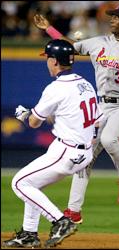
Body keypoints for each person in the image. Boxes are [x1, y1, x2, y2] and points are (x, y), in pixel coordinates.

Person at [33, 4, 119, 224]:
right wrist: (49, 28)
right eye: (111, 17)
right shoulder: (99, 42)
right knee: (85, 158)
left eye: (117, 17)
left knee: (108, 138)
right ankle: (74, 211)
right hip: (101, 105)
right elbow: (69, 47)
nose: (112, 20)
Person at [2, 39, 102, 248]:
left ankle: (60, 221)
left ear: (55, 60)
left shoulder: (56, 88)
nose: (46, 61)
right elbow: (97, 120)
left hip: (67, 151)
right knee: (32, 184)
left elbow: (34, 122)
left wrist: (24, 115)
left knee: (19, 183)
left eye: (48, 58)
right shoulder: (85, 83)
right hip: (83, 151)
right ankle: (29, 234)